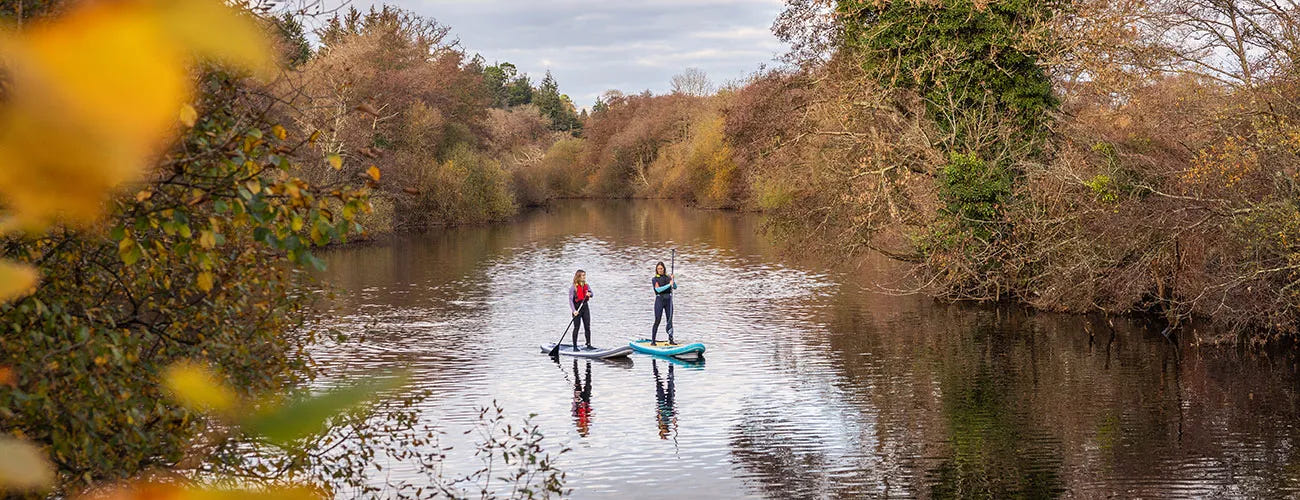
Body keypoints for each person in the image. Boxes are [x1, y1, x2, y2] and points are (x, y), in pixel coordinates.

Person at [650, 261, 676, 344]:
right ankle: (653, 341)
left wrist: (672, 280)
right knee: (657, 320)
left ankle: (671, 340)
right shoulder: (655, 279)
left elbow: (675, 287)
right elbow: (658, 290)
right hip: (659, 300)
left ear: (664, 269)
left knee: (669, 320)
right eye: (658, 269)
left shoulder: (668, 277)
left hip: (668, 300)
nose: (660, 270)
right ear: (656, 270)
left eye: (661, 268)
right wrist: (669, 285)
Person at [569, 269, 594, 350]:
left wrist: (589, 294)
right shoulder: (573, 287)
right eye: (582, 275)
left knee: (587, 326)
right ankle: (575, 346)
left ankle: (588, 344)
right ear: (578, 277)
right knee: (577, 327)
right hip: (577, 308)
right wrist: (574, 311)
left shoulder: (587, 285)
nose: (584, 277)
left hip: (585, 307)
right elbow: (570, 300)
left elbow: (592, 294)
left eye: (584, 275)